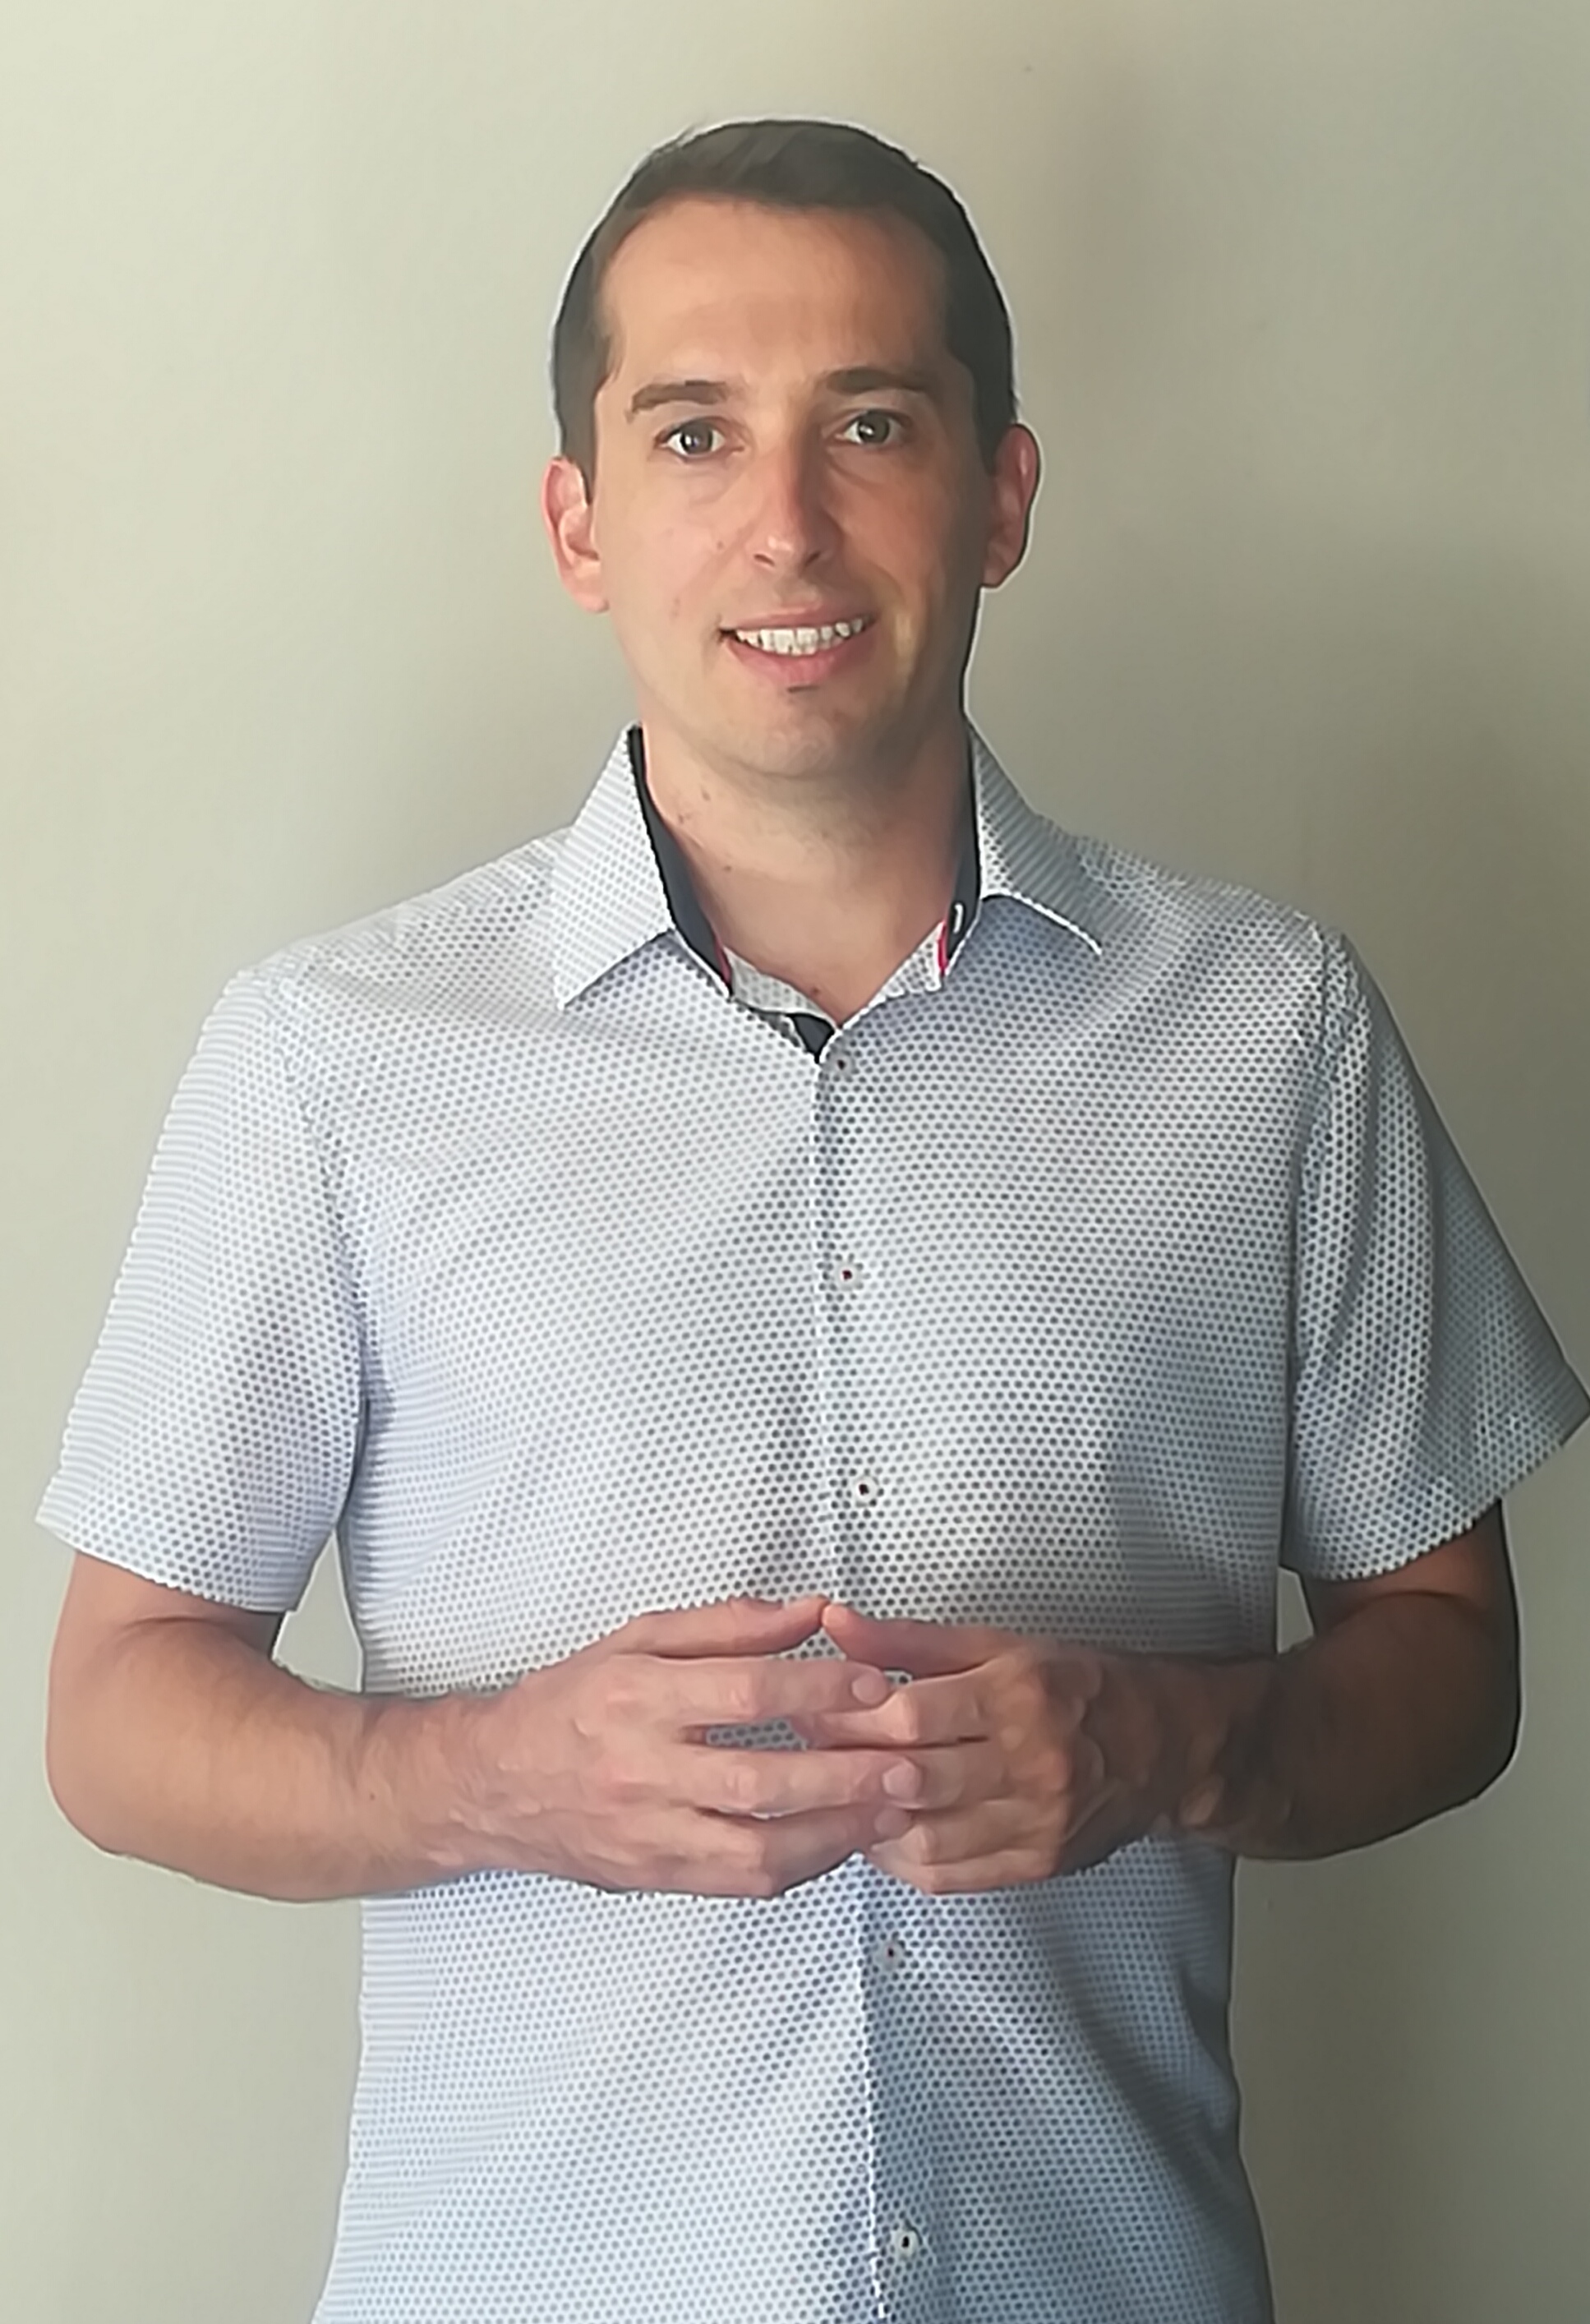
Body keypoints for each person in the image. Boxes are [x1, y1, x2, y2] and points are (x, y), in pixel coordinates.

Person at [38, 117, 1588, 2324]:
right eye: (695, 432)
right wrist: (492, 1778)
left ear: (1001, 493)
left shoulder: (1271, 1033)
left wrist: (1174, 1744)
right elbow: (113, 1712)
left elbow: (1452, 1658)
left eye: (871, 423)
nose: (785, 522)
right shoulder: (335, 1061)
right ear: (580, 521)